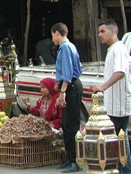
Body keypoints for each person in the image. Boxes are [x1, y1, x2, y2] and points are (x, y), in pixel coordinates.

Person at [90, 21, 131, 174]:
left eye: (102, 31)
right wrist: (126, 80)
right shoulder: (115, 49)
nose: (100, 35)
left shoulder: (118, 48)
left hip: (119, 104)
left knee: (119, 141)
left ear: (113, 32)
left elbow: (120, 72)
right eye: (99, 32)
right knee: (119, 140)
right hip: (115, 103)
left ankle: (124, 171)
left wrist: (102, 87)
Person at [51, 23, 83, 173]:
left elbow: (68, 71)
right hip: (69, 86)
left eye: (53, 35)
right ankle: (70, 158)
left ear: (57, 33)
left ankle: (75, 160)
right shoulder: (67, 47)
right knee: (66, 124)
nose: (52, 40)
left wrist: (62, 91)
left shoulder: (65, 48)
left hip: (71, 87)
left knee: (70, 125)